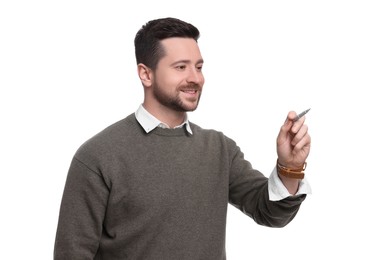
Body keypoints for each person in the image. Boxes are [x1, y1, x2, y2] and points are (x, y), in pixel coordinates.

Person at [54, 17, 311, 259]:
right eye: (180, 67)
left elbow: (270, 212)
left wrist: (290, 166)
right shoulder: (98, 155)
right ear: (145, 74)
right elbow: (72, 253)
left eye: (198, 67)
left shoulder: (220, 149)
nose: (195, 78)